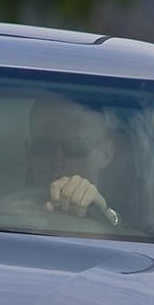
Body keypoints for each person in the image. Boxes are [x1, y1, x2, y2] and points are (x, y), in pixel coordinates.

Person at [23, 94, 124, 226]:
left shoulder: (146, 229)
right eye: (44, 147)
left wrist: (106, 216)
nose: (57, 162)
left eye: (75, 148)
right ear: (29, 152)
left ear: (105, 153)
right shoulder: (4, 215)